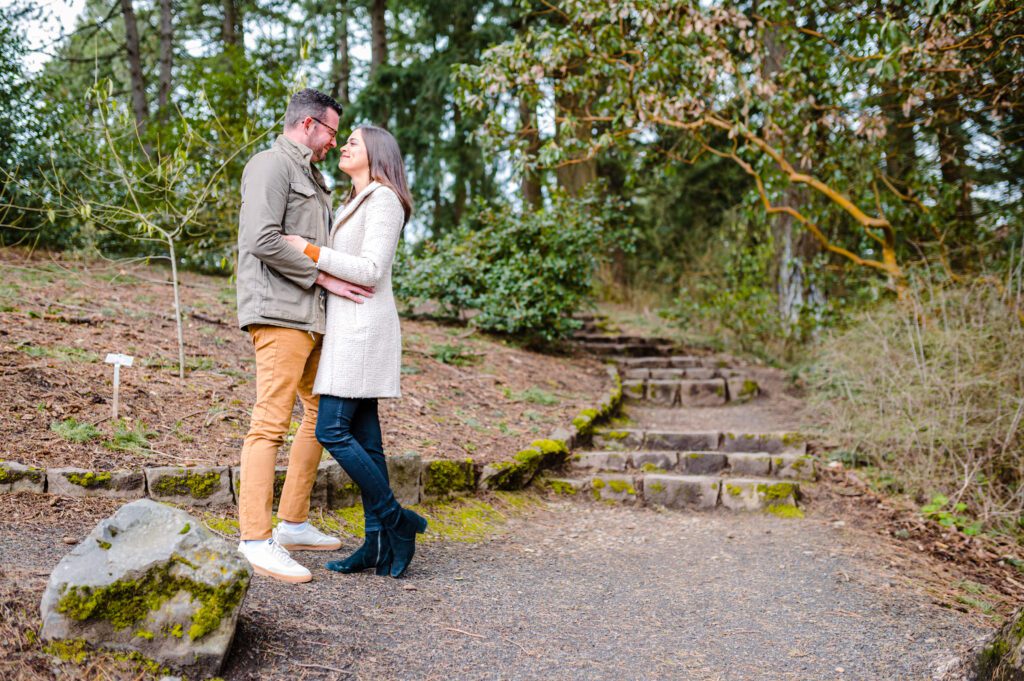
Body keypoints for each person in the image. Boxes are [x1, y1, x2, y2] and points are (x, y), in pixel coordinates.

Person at [236, 88, 376, 584]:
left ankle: (292, 522)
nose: (334, 143)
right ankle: (254, 539)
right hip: (279, 313)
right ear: (310, 125)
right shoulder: (270, 165)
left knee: (319, 412)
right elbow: (262, 238)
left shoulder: (313, 177)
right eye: (333, 133)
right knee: (268, 423)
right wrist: (324, 277)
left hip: (313, 318)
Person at [282, 125, 427, 579]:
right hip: (348, 330)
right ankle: (377, 544)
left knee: (330, 429)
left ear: (377, 154)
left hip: (363, 331)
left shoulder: (383, 199)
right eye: (343, 141)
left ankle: (398, 521)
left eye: (354, 143)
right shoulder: (353, 201)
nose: (343, 146)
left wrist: (308, 250)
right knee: (367, 441)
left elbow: (370, 269)